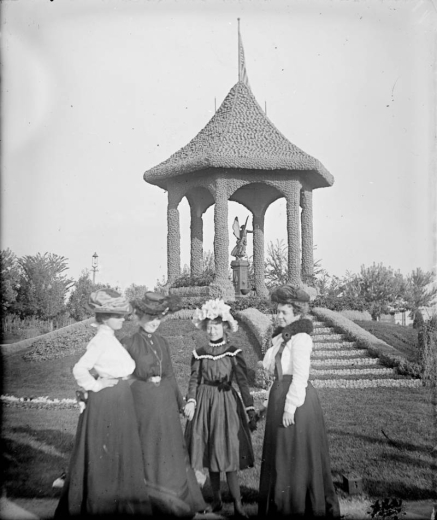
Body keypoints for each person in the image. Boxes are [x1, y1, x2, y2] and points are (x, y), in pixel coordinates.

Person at [55, 289, 152, 518]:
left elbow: (123, 371)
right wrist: (96, 385)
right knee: (106, 455)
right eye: (117, 315)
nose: (122, 319)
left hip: (119, 400)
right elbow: (79, 368)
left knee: (120, 452)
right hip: (106, 402)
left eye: (122, 315)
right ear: (105, 317)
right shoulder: (100, 340)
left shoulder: (110, 339)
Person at [121, 291, 207, 518]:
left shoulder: (162, 342)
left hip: (166, 407)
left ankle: (175, 499)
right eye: (150, 317)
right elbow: (120, 377)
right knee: (148, 450)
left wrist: (182, 404)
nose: (154, 322)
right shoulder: (129, 343)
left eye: (158, 317)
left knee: (169, 451)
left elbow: (169, 376)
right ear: (139, 317)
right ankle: (151, 499)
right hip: (142, 405)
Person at [258, 285, 340, 518]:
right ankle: (281, 504)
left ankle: (298, 507)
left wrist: (290, 407)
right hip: (279, 398)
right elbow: (275, 372)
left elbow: (300, 375)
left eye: (284, 312)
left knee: (294, 454)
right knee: (281, 455)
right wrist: (267, 403)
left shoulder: (301, 338)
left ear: (297, 314)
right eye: (278, 311)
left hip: (297, 402)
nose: (279, 316)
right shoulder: (282, 337)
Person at [184, 298, 256, 519]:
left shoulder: (233, 352)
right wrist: (191, 401)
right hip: (205, 404)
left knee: (228, 453)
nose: (213, 329)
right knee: (212, 452)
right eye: (209, 325)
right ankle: (216, 500)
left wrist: (250, 408)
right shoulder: (199, 353)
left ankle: (237, 503)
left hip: (226, 405)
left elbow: (243, 382)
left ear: (225, 327)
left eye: (217, 325)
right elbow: (194, 380)